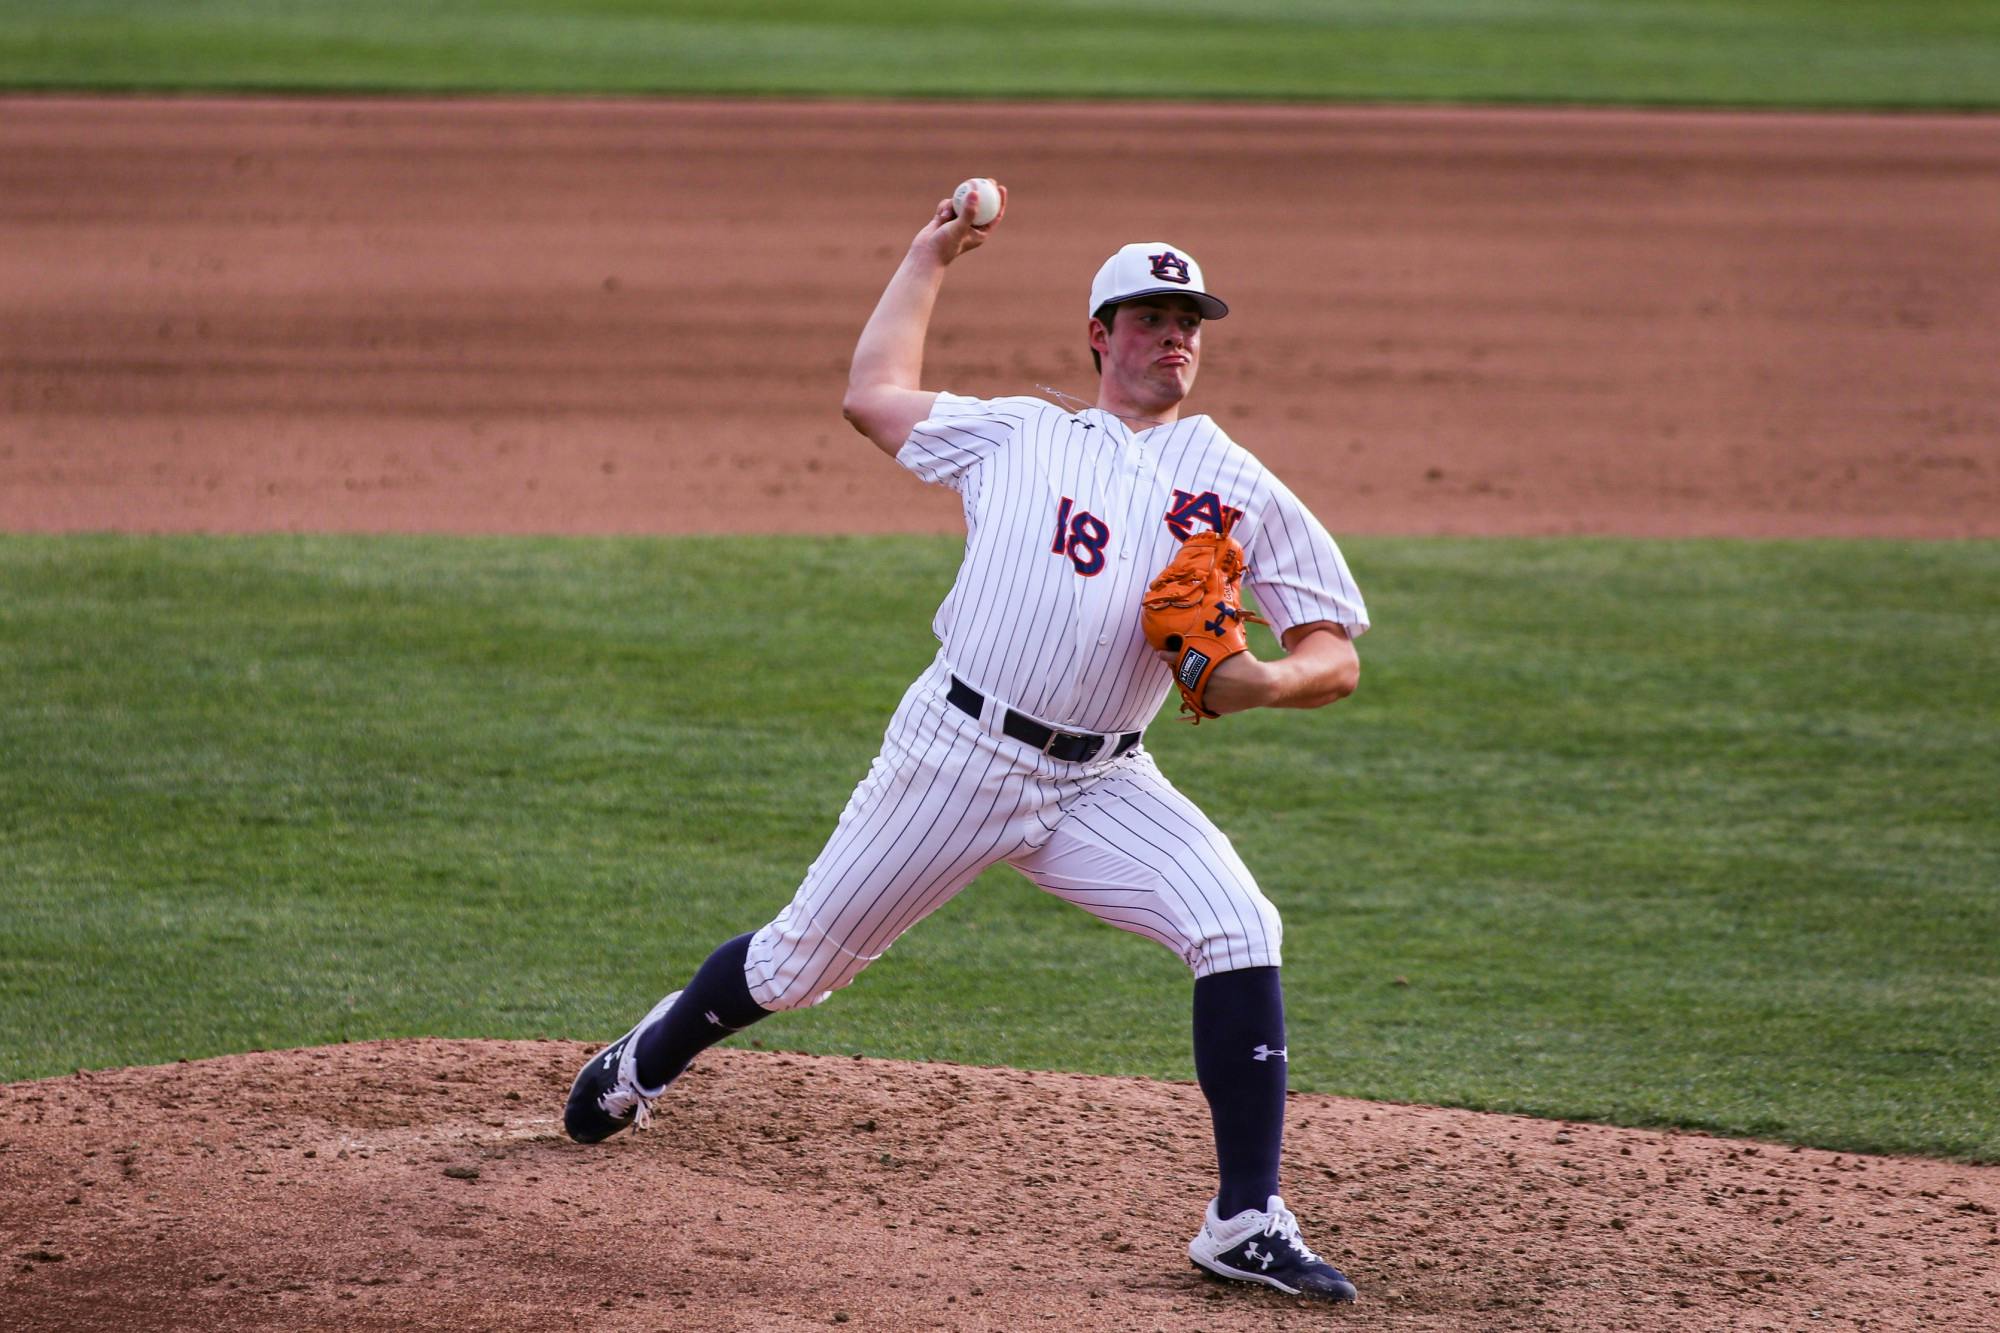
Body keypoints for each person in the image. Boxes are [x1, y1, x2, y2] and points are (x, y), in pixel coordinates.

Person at [564, 184, 1371, 1303]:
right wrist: (927, 255)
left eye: (1187, 321)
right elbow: (870, 394)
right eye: (1148, 317)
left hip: (1102, 778)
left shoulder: (1235, 482)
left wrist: (1271, 680)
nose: (1172, 337)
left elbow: (1337, 648)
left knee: (1238, 923)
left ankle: (1244, 1218)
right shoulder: (1018, 431)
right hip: (956, 758)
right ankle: (644, 1057)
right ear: (1099, 333)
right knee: (799, 965)